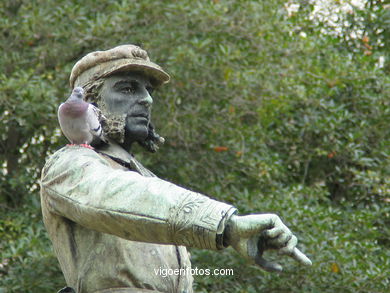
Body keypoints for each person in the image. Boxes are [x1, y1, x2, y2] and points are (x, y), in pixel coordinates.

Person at [40, 44, 311, 293]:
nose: (147, 100)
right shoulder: (70, 164)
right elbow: (115, 195)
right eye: (128, 89)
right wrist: (225, 224)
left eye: (148, 91)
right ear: (90, 102)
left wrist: (231, 229)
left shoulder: (147, 180)